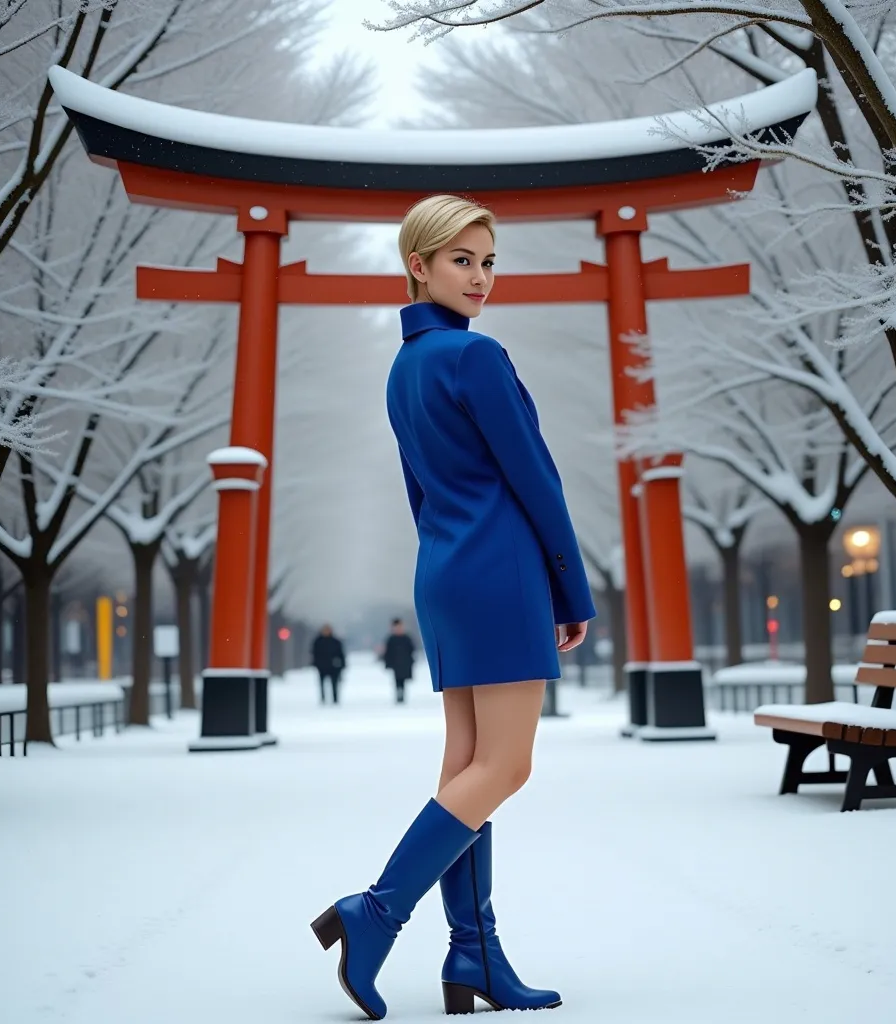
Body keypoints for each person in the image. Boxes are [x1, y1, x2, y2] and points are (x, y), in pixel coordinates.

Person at [311, 195, 596, 1020]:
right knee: (506, 768)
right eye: (460, 260)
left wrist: (447, 562)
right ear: (419, 266)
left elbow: (419, 491)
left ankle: (474, 955)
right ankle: (376, 912)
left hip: (444, 572)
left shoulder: (405, 368)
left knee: (468, 769)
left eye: (488, 261)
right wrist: (569, 590)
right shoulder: (475, 359)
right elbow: (535, 478)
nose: (479, 277)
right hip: (502, 572)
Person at [382, 617, 416, 703]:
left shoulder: (406, 638)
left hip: (405, 663)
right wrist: (388, 663)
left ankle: (402, 694)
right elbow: (387, 653)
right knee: (397, 680)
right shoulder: (391, 639)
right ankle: (399, 694)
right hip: (396, 664)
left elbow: (411, 650)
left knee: (403, 680)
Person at [311, 624, 346, 705]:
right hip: (322, 666)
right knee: (321, 683)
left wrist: (342, 664)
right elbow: (314, 653)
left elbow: (341, 654)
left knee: (334, 683)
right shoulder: (318, 641)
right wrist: (316, 663)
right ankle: (323, 698)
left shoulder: (335, 642)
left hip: (333, 666)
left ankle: (335, 699)